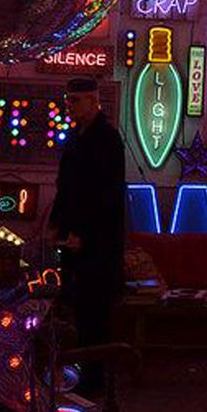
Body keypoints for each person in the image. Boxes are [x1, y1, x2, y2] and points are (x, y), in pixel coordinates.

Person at [49, 77, 126, 392]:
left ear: (95, 102)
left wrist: (83, 233)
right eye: (69, 101)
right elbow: (67, 187)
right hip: (76, 239)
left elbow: (104, 195)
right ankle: (83, 377)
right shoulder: (78, 137)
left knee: (94, 313)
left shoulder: (106, 139)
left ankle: (93, 381)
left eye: (76, 101)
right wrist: (59, 225)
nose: (71, 106)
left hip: (96, 244)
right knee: (78, 310)